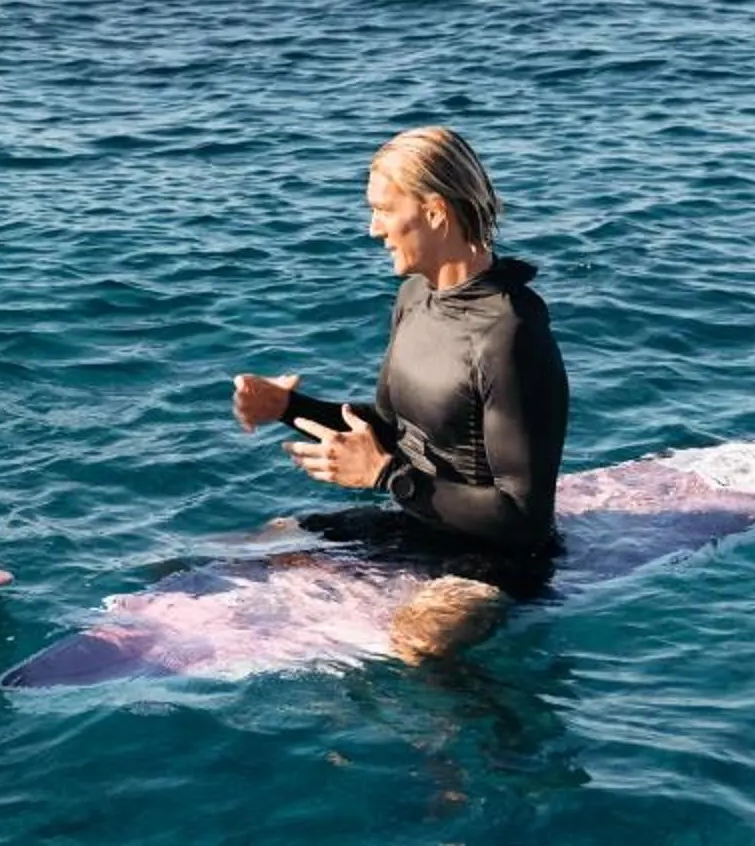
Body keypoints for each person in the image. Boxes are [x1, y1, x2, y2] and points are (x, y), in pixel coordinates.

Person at [230, 125, 570, 659]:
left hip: (498, 558)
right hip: (418, 522)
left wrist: (386, 477)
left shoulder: (510, 334)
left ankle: (493, 710)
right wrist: (288, 407)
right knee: (242, 553)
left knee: (416, 641)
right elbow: (390, 428)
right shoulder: (415, 296)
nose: (373, 229)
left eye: (384, 211)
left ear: (434, 212)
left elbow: (524, 520)